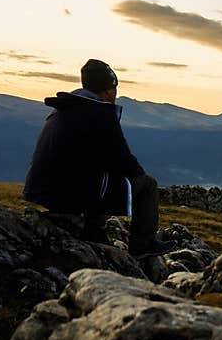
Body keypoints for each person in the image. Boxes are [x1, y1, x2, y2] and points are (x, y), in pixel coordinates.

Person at [23, 59, 175, 258]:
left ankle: (94, 230)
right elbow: (122, 159)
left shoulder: (64, 108)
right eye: (114, 88)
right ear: (108, 89)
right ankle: (142, 246)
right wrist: (138, 175)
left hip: (41, 190)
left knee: (99, 179)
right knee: (147, 185)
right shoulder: (99, 112)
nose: (115, 94)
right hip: (68, 194)